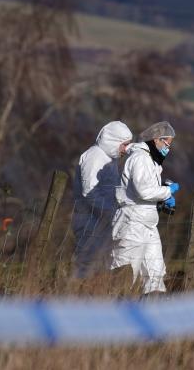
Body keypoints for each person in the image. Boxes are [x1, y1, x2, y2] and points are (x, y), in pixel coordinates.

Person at [110, 120, 180, 294]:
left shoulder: (151, 161)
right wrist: (167, 191)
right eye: (167, 143)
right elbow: (143, 191)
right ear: (156, 140)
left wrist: (162, 199)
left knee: (155, 272)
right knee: (125, 272)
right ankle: (114, 307)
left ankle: (154, 306)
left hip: (148, 224)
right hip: (132, 224)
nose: (168, 148)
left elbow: (146, 190)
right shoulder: (140, 158)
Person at [71, 121, 132, 277]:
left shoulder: (110, 159)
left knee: (103, 268)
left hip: (103, 222)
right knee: (87, 265)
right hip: (89, 222)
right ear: (114, 141)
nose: (126, 149)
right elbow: (89, 193)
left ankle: (94, 291)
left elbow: (110, 190)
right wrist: (112, 213)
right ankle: (79, 290)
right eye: (124, 145)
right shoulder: (94, 157)